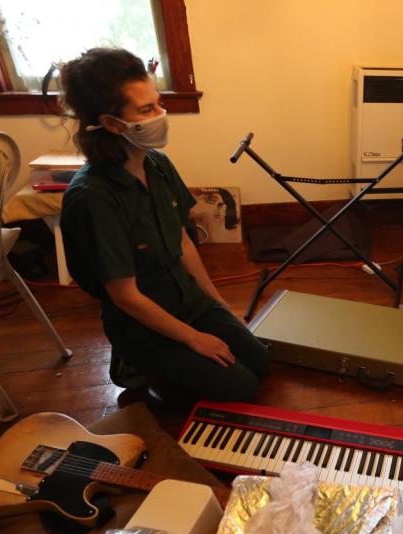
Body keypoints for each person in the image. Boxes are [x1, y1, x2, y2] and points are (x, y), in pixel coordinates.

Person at [59, 48, 269, 402]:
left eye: (158, 104)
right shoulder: (93, 198)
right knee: (240, 388)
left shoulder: (158, 164)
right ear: (111, 123)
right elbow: (125, 296)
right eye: (146, 110)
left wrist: (218, 305)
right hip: (141, 320)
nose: (160, 115)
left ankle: (178, 358)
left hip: (186, 299)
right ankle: (135, 364)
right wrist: (192, 338)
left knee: (260, 363)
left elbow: (183, 242)